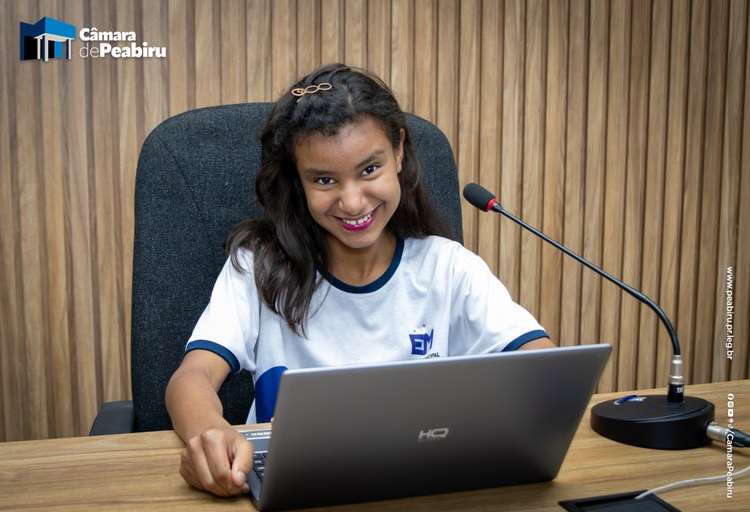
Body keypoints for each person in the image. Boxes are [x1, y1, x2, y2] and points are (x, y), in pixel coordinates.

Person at [165, 63, 554, 497]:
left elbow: (545, 369)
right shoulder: (257, 266)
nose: (352, 202)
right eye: (324, 180)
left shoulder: (449, 268)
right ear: (297, 180)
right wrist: (209, 430)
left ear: (399, 151)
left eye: (369, 169)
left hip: (424, 491)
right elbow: (192, 377)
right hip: (296, 490)